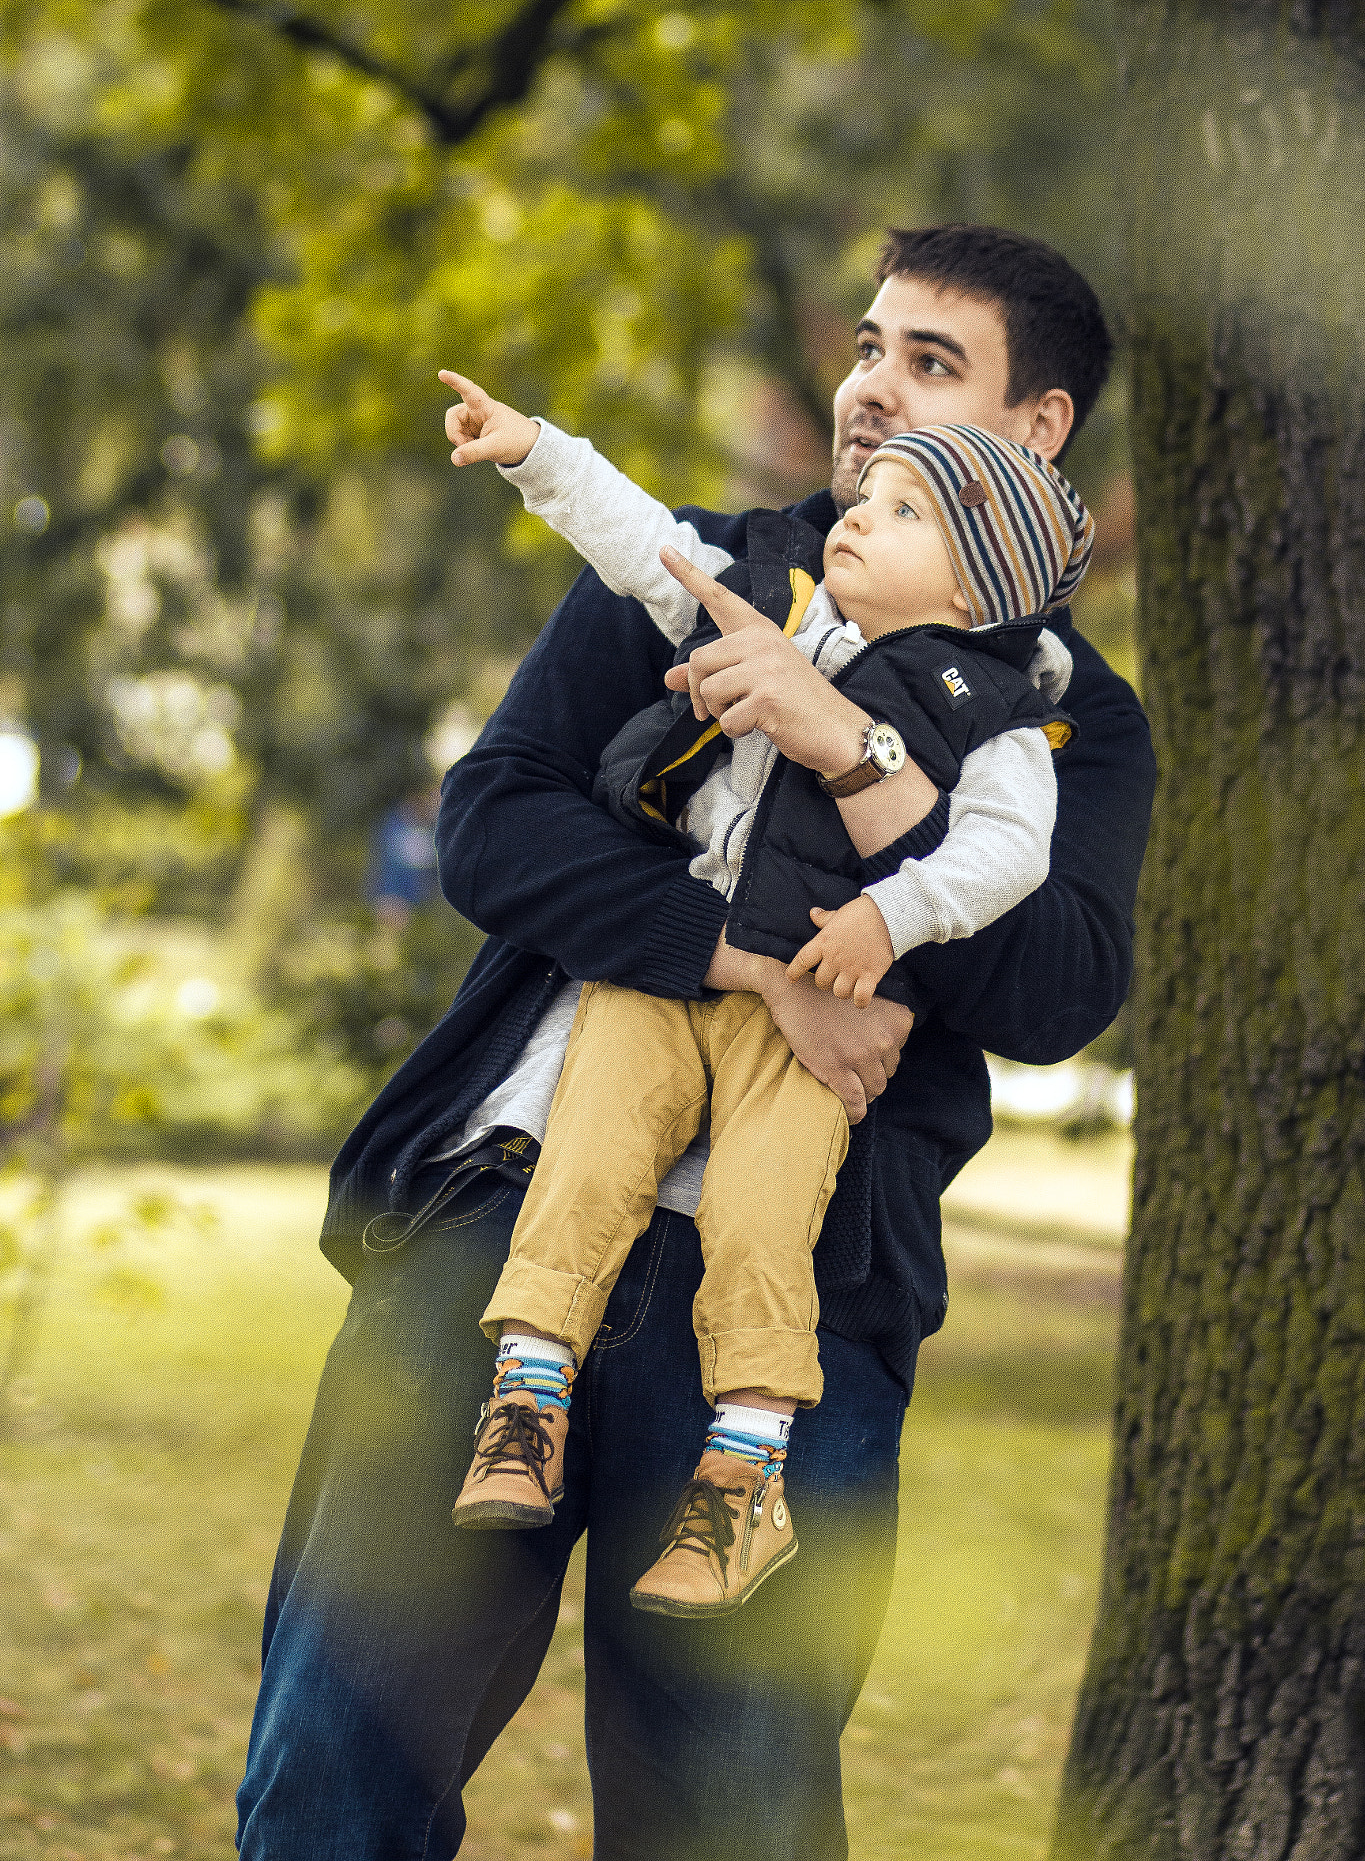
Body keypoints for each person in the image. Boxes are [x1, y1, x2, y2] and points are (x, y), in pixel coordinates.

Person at [236, 224, 1155, 1861]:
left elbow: (1052, 982)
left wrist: (853, 749)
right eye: (872, 345)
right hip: (502, 1222)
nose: (874, 385)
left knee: (728, 1817)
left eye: (933, 362)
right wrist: (764, 964)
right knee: (328, 1774)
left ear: (1039, 432)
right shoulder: (689, 564)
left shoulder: (1066, 709)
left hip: (790, 1300)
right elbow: (497, 822)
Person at [435, 391, 1092, 1622]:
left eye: (906, 510)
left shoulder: (998, 718)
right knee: (586, 1156)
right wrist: (539, 452)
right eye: (870, 492)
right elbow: (646, 548)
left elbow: (1008, 860)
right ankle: (527, 1393)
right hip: (672, 974)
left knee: (759, 1213)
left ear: (979, 590)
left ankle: (742, 1478)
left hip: (821, 1010)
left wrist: (893, 917)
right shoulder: (779, 603)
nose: (859, 516)